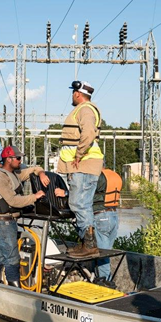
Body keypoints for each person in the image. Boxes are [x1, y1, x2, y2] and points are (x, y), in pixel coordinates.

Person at [0, 145, 62, 287]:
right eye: (18, 158)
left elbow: (34, 169)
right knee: (13, 258)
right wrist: (34, 197)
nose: (20, 161)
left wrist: (41, 173)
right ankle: (16, 290)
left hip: (9, 221)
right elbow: (13, 201)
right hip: (2, 223)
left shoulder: (14, 173)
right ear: (9, 159)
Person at [57, 80, 104, 259]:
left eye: (73, 93)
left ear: (77, 94)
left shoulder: (85, 109)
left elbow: (89, 132)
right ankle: (86, 242)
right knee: (81, 204)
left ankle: (89, 245)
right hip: (81, 166)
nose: (72, 96)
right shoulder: (84, 109)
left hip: (83, 164)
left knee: (79, 204)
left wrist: (79, 153)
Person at [93, 168, 122, 286]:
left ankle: (105, 283)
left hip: (100, 216)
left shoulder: (98, 176)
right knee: (106, 253)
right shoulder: (114, 175)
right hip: (113, 215)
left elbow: (86, 194)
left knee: (103, 255)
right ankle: (102, 280)